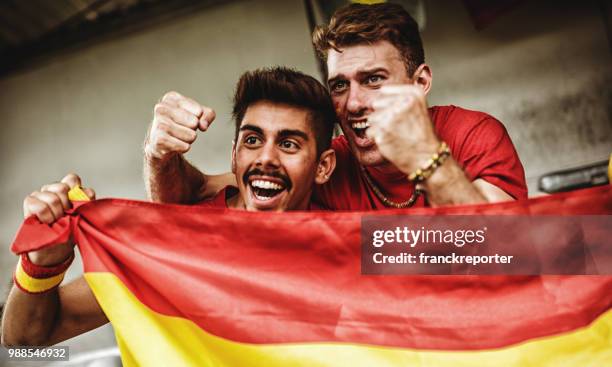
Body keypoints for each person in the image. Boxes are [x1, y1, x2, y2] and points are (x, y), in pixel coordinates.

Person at [1, 67, 337, 346]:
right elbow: (24, 338)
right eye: (252, 140)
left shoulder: (348, 240)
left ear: (323, 167)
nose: (265, 158)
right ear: (234, 155)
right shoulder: (172, 243)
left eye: (289, 144)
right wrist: (42, 262)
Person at [143, 3, 527, 210]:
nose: (353, 103)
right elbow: (189, 196)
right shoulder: (329, 162)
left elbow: (501, 253)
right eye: (339, 85)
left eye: (373, 79)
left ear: (420, 82)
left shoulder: (473, 135)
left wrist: (427, 160)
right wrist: (159, 155)